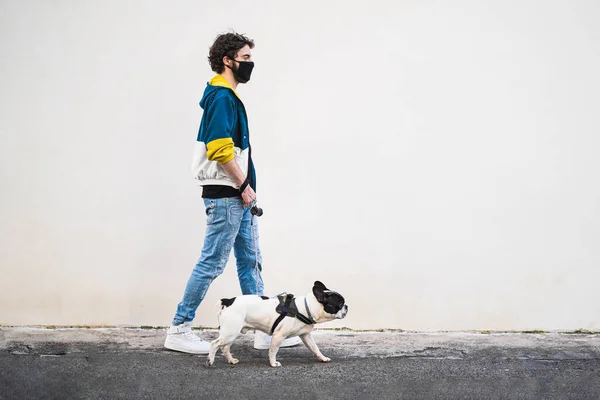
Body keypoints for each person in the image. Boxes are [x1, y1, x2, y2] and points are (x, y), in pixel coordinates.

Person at [164, 32, 301, 354]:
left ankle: (266, 329)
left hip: (239, 195)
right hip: (228, 195)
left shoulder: (227, 96)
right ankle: (179, 329)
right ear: (227, 60)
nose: (250, 64)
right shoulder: (222, 97)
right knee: (212, 263)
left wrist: (246, 190)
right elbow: (220, 149)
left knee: (250, 261)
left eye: (251, 58)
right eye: (245, 58)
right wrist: (243, 185)